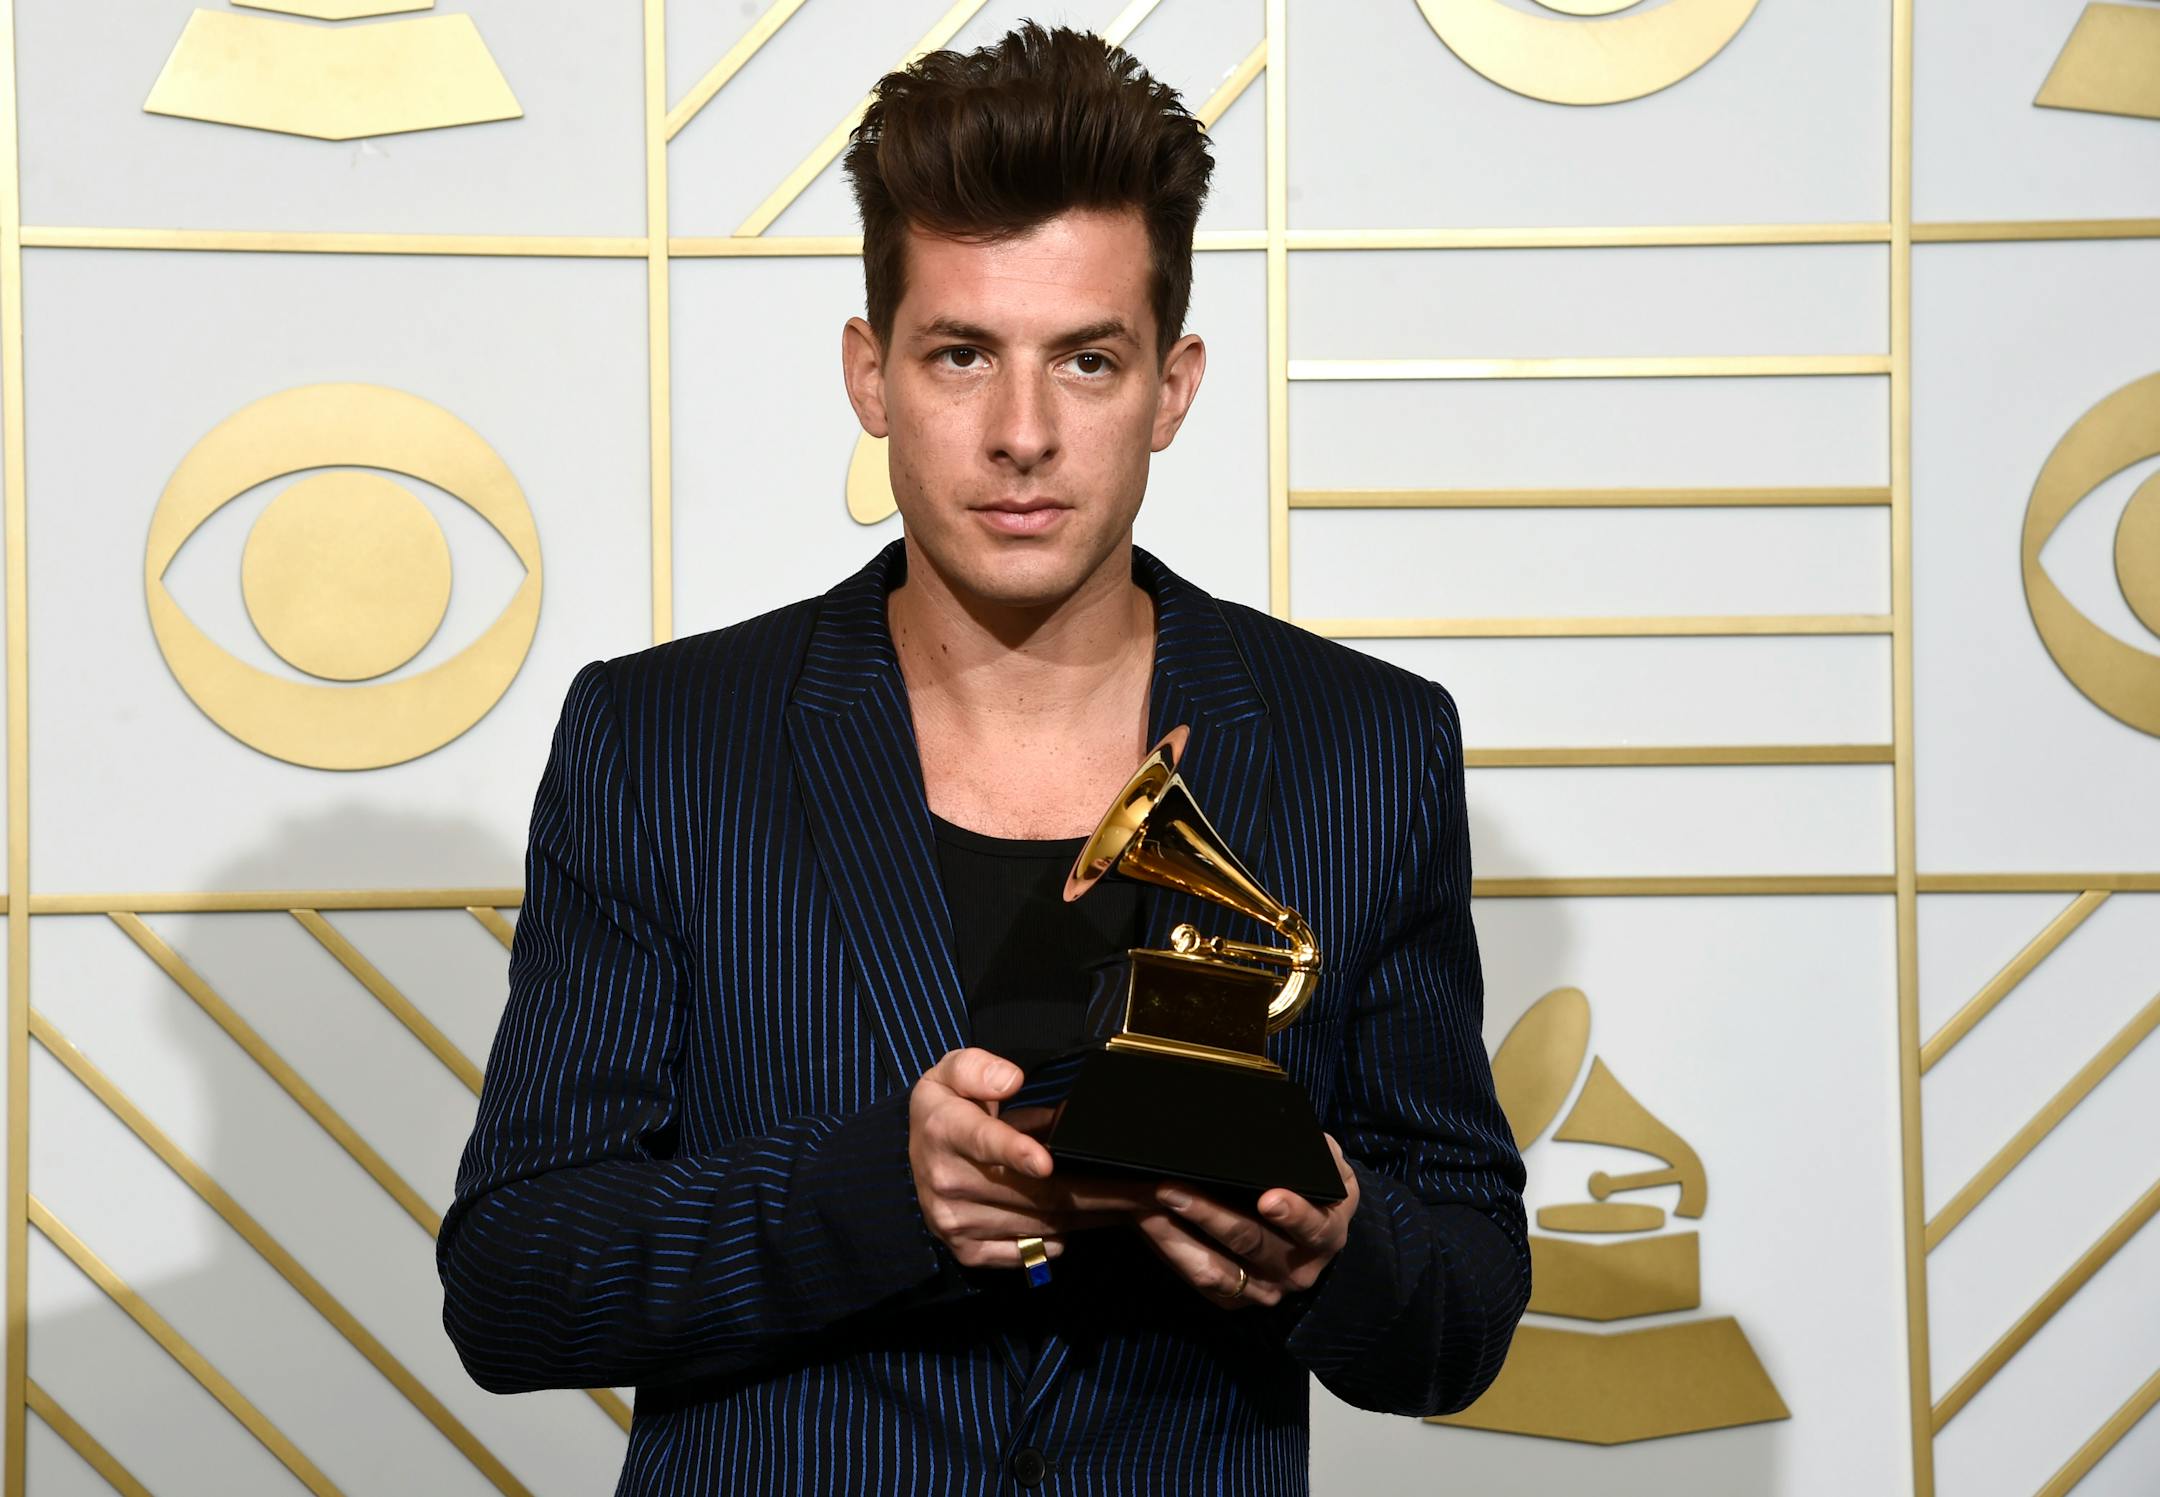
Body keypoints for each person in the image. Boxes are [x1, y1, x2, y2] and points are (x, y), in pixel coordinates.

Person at [437, 22, 1528, 1493]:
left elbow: (1461, 1310)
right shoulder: (663, 737)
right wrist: (873, 1192)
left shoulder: (1367, 745)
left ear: (1174, 387)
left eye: (1087, 359)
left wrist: (1337, 1245)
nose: (1023, 433)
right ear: (871, 373)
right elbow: (512, 1281)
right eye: (962, 353)